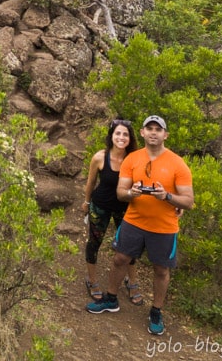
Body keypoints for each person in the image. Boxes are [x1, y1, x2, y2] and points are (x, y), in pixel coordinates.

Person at [86, 115, 195, 336]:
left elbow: (188, 201)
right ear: (143, 133)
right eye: (149, 128)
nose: (153, 132)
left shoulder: (177, 163)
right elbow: (120, 193)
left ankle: (156, 311)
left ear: (165, 135)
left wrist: (167, 197)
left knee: (161, 269)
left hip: (164, 226)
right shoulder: (132, 159)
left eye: (158, 129)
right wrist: (130, 193)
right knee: (120, 259)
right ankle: (110, 298)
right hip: (133, 221)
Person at [82, 118, 141, 304]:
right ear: (111, 136)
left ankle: (132, 281)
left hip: (126, 209)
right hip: (100, 206)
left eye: (125, 134)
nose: (121, 137)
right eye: (118, 133)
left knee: (128, 247)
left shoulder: (135, 160)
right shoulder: (100, 157)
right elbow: (91, 182)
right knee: (94, 243)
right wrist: (86, 201)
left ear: (130, 138)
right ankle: (92, 280)